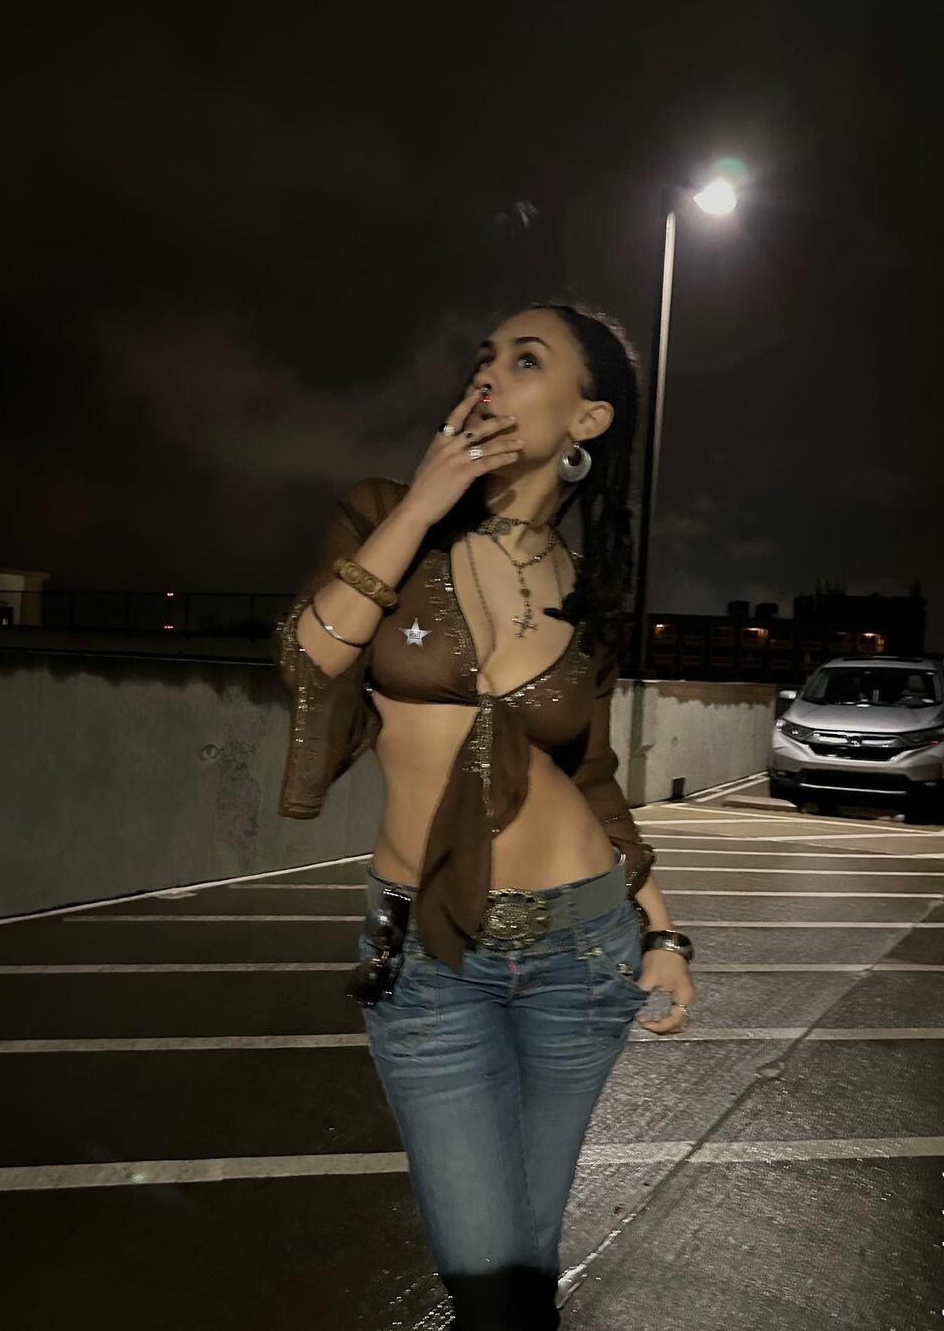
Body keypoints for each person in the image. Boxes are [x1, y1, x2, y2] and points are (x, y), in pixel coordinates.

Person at [274, 300, 697, 1330]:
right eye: (484, 358)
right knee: (485, 1276)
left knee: (524, 1269)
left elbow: (593, 777)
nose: (488, 375)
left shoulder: (581, 588)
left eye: (525, 360)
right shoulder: (388, 515)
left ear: (586, 420)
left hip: (584, 954)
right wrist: (425, 500)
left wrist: (663, 930)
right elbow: (309, 658)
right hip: (429, 956)